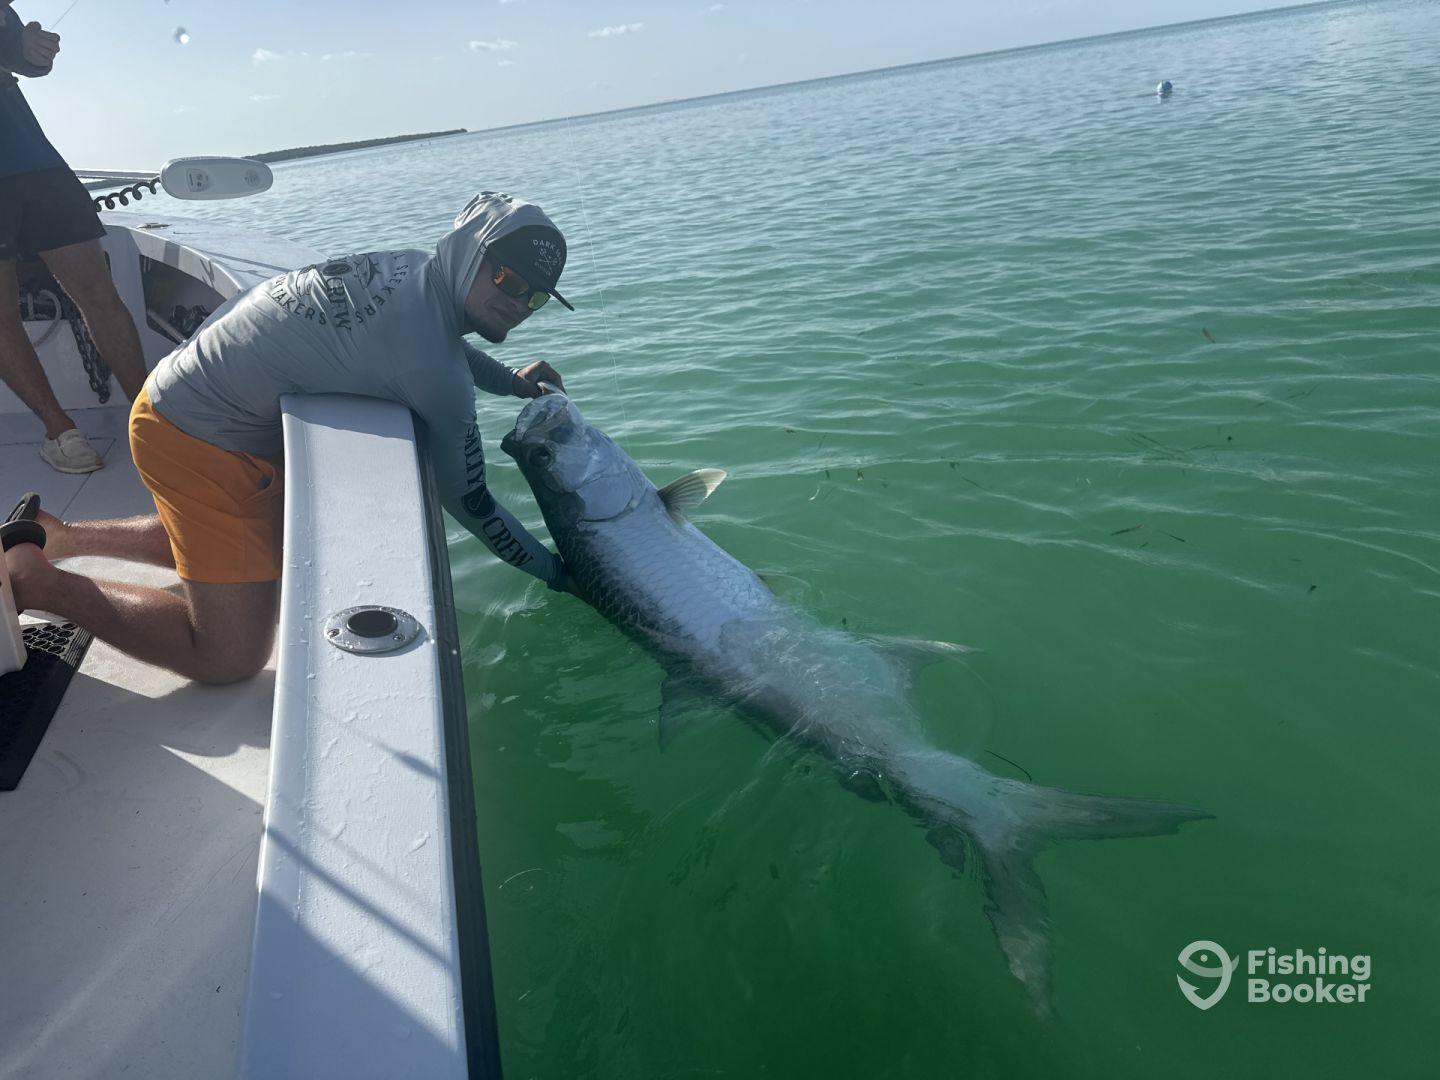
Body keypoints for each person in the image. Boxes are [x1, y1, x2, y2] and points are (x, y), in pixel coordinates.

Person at [4, 191, 575, 684]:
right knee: (229, 657)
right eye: (507, 278)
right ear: (471, 253)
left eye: (536, 296)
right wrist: (560, 575)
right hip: (192, 439)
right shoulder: (434, 372)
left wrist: (512, 383)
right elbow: (471, 501)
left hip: (179, 396)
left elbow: (445, 344)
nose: (519, 303)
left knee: (258, 539)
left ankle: (64, 536)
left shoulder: (416, 271)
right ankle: (39, 582)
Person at [0, 2, 148, 472]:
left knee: (99, 292)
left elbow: (25, 61)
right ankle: (60, 431)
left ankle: (154, 417)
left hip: (34, 162)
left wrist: (35, 51)